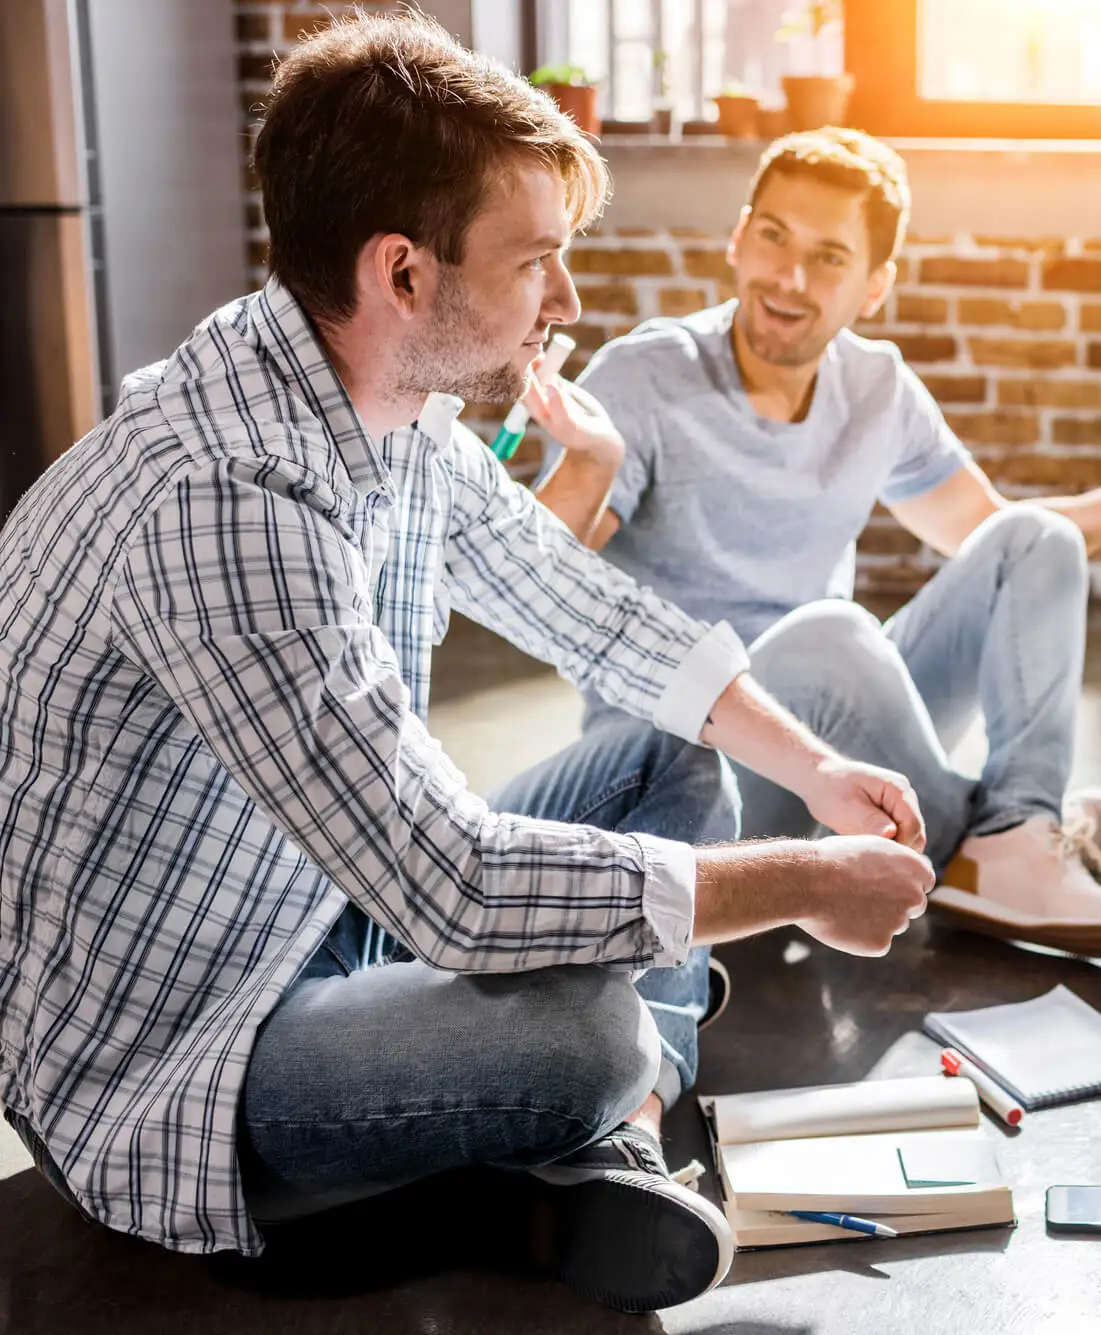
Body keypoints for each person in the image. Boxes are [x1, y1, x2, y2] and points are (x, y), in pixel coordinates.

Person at [0, 14, 939, 1315]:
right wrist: (806, 881)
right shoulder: (230, 505)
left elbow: (595, 612)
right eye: (537, 262)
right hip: (187, 1053)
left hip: (316, 894)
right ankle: (605, 1097)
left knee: (683, 746)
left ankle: (614, 1137)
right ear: (403, 272)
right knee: (587, 1026)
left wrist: (821, 768)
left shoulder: (375, 403)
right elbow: (454, 887)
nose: (563, 301)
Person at [528, 128, 1101, 957]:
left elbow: (994, 539)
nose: (789, 278)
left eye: (828, 258)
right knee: (831, 635)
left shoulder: (878, 386)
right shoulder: (643, 376)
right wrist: (588, 458)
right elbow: (539, 573)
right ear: (738, 236)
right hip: (699, 761)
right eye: (774, 238)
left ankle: (1015, 832)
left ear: (874, 287)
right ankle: (1015, 835)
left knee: (1032, 538)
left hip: (835, 755)